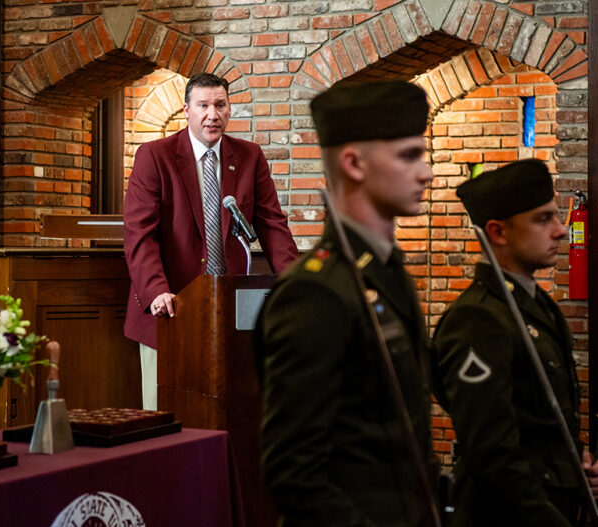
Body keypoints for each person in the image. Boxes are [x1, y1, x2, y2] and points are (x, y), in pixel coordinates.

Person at [255, 80, 438, 526]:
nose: (427, 171)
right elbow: (295, 474)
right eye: (409, 156)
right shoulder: (315, 291)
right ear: (354, 163)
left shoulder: (383, 272)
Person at [434, 159, 598, 526]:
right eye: (543, 219)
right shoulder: (478, 318)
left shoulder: (536, 304)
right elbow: (491, 455)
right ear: (498, 233)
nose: (561, 231)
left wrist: (576, 463)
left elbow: (536, 424)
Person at [123, 72, 298, 410]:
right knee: (166, 418)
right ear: (186, 110)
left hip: (231, 313)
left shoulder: (249, 157)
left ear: (230, 109)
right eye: (202, 105)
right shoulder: (154, 156)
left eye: (220, 105)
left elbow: (274, 226)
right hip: (170, 309)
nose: (212, 114)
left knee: (231, 415)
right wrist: (156, 289)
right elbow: (140, 234)